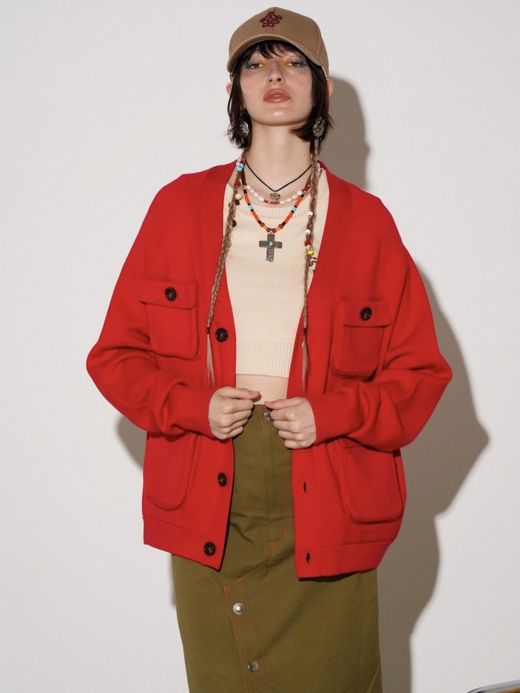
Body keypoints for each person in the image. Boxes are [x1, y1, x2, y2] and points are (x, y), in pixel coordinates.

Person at [87, 7, 452, 692]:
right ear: (235, 90)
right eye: (255, 64)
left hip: (329, 490)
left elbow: (420, 372)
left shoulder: (368, 223)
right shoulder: (178, 207)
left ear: (323, 87)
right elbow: (115, 355)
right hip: (210, 489)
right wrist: (191, 406)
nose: (273, 75)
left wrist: (333, 413)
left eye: (291, 62)